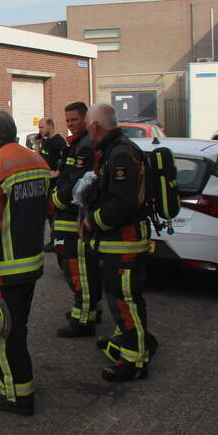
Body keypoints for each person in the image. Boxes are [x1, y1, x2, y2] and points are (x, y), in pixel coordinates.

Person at [0, 109, 50, 416]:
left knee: (6, 333)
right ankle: (15, 383)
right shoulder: (38, 161)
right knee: (20, 327)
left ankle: (17, 396)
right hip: (32, 263)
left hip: (5, 268)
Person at [81, 102, 156, 382]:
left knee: (126, 300)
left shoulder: (121, 154)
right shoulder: (114, 150)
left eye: (88, 123)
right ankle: (130, 342)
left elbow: (124, 202)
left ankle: (135, 361)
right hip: (114, 242)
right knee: (119, 299)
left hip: (124, 242)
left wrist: (92, 221)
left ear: (94, 126)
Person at [50, 102, 103, 338]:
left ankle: (83, 321)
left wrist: (56, 200)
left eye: (75, 120)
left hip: (74, 217)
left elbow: (78, 180)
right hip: (70, 216)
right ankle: (92, 309)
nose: (70, 124)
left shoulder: (85, 146)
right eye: (68, 120)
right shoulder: (77, 144)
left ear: (86, 119)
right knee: (83, 267)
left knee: (77, 268)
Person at [36, 117, 66, 253]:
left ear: (50, 126)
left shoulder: (59, 141)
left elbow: (66, 159)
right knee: (48, 213)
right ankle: (53, 239)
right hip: (46, 182)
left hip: (56, 184)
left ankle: (57, 240)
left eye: (42, 127)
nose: (40, 130)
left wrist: (58, 172)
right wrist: (37, 144)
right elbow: (40, 158)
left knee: (55, 213)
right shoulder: (45, 141)